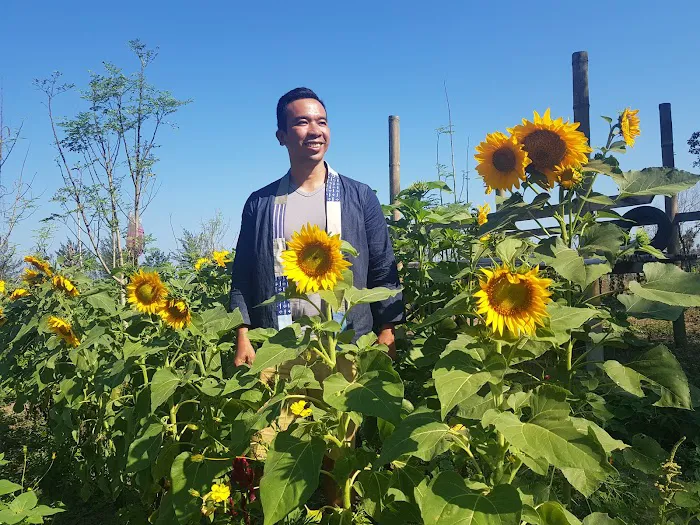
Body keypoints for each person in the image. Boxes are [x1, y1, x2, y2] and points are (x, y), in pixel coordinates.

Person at [230, 87, 403, 367]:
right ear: (281, 137)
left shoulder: (359, 196)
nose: (315, 130)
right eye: (302, 122)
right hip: (280, 346)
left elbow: (383, 267)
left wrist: (387, 330)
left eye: (321, 122)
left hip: (347, 346)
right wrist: (242, 334)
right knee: (283, 411)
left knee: (342, 412)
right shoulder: (261, 203)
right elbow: (243, 275)